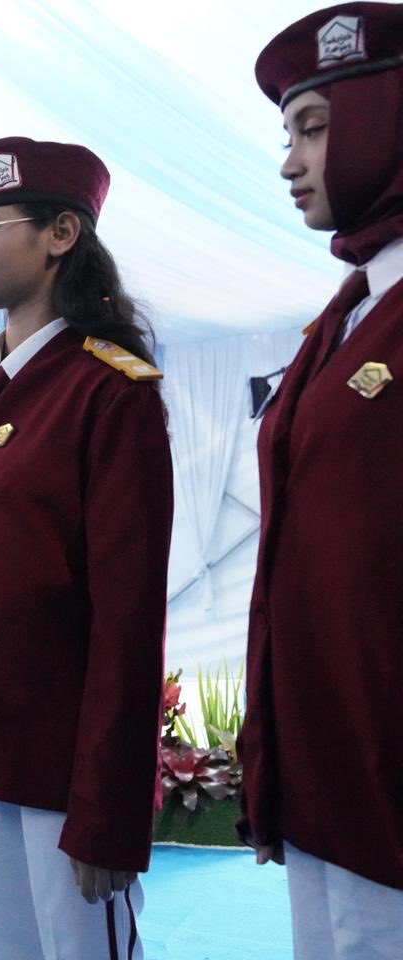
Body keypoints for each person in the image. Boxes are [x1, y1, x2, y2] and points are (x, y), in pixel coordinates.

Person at [0, 137, 173, 960]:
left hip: (63, 773)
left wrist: (108, 807)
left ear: (61, 234)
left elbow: (129, 621)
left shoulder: (108, 394)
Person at [239, 6, 403, 958]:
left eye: (315, 125)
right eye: (288, 133)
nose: (291, 161)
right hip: (331, 770)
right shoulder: (341, 320)